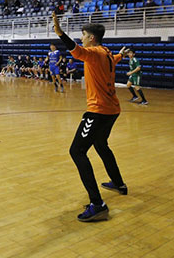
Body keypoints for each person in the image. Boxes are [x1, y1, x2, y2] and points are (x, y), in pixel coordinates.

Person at [51, 12, 127, 222]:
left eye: (83, 35)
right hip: (113, 110)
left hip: (98, 111)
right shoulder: (108, 53)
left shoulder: (93, 53)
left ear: (91, 38)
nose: (81, 38)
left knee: (76, 151)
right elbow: (115, 59)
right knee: (101, 145)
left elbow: (76, 51)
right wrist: (121, 54)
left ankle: (97, 204)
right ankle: (119, 183)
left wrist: (60, 33)